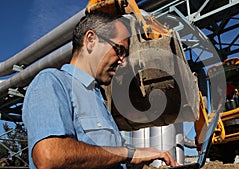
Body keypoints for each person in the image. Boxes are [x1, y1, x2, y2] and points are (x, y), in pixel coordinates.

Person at [22, 11, 179, 169]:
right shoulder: (51, 82)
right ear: (91, 40)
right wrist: (130, 153)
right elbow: (50, 157)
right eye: (120, 50)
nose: (123, 62)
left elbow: (108, 160)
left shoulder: (98, 97)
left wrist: (138, 157)